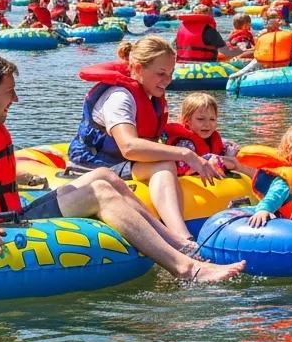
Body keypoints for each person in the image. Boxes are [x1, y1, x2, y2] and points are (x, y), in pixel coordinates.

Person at [0, 51, 243, 283]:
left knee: (105, 176)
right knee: (99, 192)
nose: (15, 99)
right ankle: (187, 270)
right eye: (9, 92)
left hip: (14, 215)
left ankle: (180, 245)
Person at [68, 36, 221, 249]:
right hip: (94, 165)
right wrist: (186, 155)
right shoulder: (120, 97)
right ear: (139, 69)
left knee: (170, 160)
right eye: (161, 73)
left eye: (170, 73)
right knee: (165, 164)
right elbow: (129, 147)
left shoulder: (149, 95)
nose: (168, 80)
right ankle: (183, 240)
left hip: (122, 164)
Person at [163, 92, 249, 177]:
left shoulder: (212, 137)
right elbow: (184, 166)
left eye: (212, 119)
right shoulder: (184, 143)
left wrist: (234, 151)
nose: (207, 124)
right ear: (187, 121)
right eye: (201, 119)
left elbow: (225, 146)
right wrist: (213, 159)